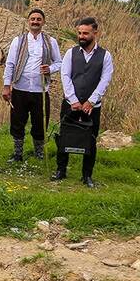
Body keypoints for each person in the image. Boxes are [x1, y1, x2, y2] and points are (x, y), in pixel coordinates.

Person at [52, 17, 113, 188]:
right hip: (71, 104)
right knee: (65, 136)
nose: (81, 36)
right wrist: (73, 100)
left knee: (90, 139)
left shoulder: (105, 56)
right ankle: (60, 170)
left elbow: (105, 80)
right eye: (79, 33)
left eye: (85, 33)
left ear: (95, 33)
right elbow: (65, 76)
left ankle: (87, 175)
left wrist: (91, 101)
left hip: (92, 106)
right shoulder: (70, 53)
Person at [2, 9, 62, 161]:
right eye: (33, 19)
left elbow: (59, 62)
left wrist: (49, 68)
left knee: (40, 122)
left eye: (38, 19)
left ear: (43, 22)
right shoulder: (18, 40)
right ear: (28, 21)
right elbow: (10, 64)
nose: (35, 21)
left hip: (40, 90)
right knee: (17, 122)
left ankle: (39, 153)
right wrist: (6, 85)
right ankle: (17, 154)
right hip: (20, 88)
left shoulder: (51, 41)